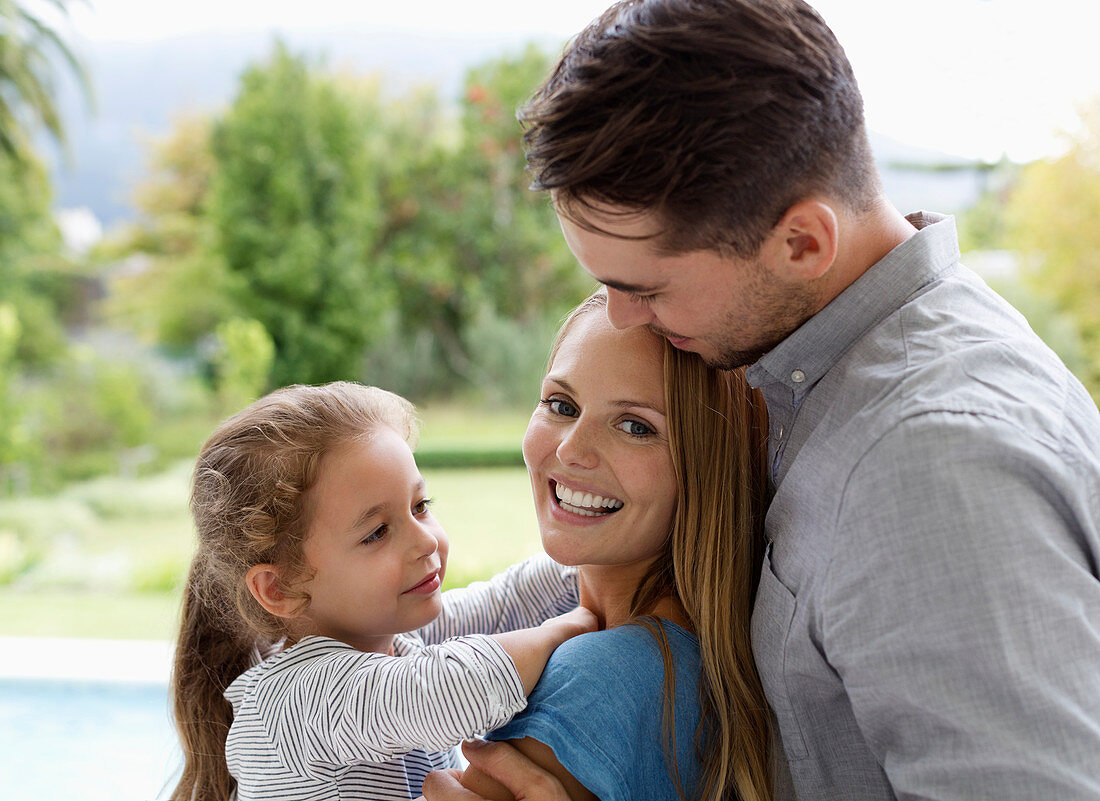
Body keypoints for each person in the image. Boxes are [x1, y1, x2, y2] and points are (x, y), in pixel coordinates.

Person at [425, 1, 1100, 800]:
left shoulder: (931, 465)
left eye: (646, 288)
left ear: (803, 243)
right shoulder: (812, 378)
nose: (621, 316)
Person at [169, 381, 596, 801]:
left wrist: (596, 561)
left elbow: (506, 603)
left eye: (420, 506)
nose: (426, 541)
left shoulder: (391, 638)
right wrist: (566, 628)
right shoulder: (290, 703)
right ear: (280, 587)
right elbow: (451, 690)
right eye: (377, 533)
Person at [440, 291, 776, 801]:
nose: (571, 449)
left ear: (706, 469)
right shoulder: (690, 657)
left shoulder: (596, 680)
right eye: (561, 405)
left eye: (635, 426)